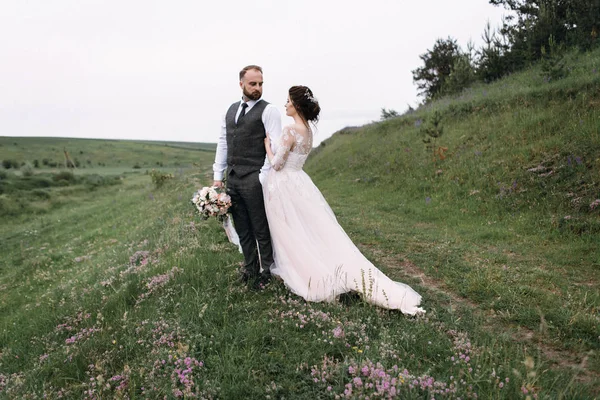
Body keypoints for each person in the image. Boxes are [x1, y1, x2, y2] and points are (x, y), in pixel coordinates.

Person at [262, 86, 424, 314]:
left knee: (291, 230)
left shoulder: (290, 130)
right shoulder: (307, 131)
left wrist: (268, 148)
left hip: (286, 185)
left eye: (288, 101)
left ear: (297, 105)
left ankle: (307, 274)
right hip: (301, 182)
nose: (285, 104)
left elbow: (278, 164)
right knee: (310, 230)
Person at [213, 65, 282, 288]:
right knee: (242, 226)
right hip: (232, 177)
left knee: (260, 227)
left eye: (260, 84)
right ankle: (250, 268)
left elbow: (275, 145)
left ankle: (267, 272)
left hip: (255, 177)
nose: (257, 88)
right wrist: (218, 175)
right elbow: (224, 141)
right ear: (241, 83)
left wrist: (262, 176)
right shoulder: (231, 109)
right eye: (253, 83)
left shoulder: (269, 110)